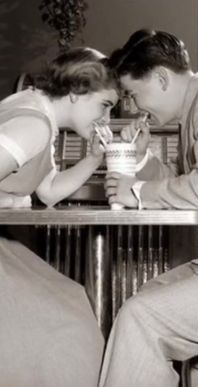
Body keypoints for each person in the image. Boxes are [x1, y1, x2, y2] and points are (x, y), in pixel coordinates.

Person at [100, 29, 198, 387]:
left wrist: (138, 191)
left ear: (161, 78)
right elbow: (184, 184)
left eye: (133, 94)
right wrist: (142, 160)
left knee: (141, 318)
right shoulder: (197, 108)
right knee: (148, 300)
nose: (132, 106)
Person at [0, 47, 118, 387]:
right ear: (76, 92)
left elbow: (49, 191)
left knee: (68, 304)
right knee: (67, 326)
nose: (106, 120)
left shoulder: (39, 115)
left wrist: (94, 158)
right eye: (105, 106)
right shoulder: (33, 124)